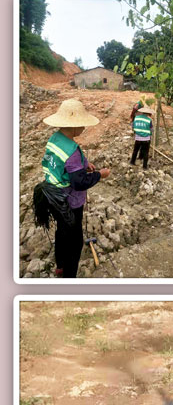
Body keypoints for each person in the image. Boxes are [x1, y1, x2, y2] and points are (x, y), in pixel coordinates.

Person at [33, 99, 110, 278]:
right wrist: (100, 174)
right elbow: (79, 183)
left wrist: (85, 164)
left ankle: (60, 265)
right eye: (82, 124)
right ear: (74, 126)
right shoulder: (72, 150)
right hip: (69, 203)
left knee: (61, 231)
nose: (84, 127)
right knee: (75, 242)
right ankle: (69, 277)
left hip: (53, 196)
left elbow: (62, 165)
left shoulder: (55, 138)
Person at [130, 105, 154, 170]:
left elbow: (132, 126)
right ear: (148, 113)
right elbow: (152, 129)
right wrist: (150, 132)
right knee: (146, 152)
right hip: (146, 139)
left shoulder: (137, 118)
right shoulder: (149, 120)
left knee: (135, 150)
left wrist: (135, 131)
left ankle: (132, 162)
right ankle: (144, 166)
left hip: (137, 138)